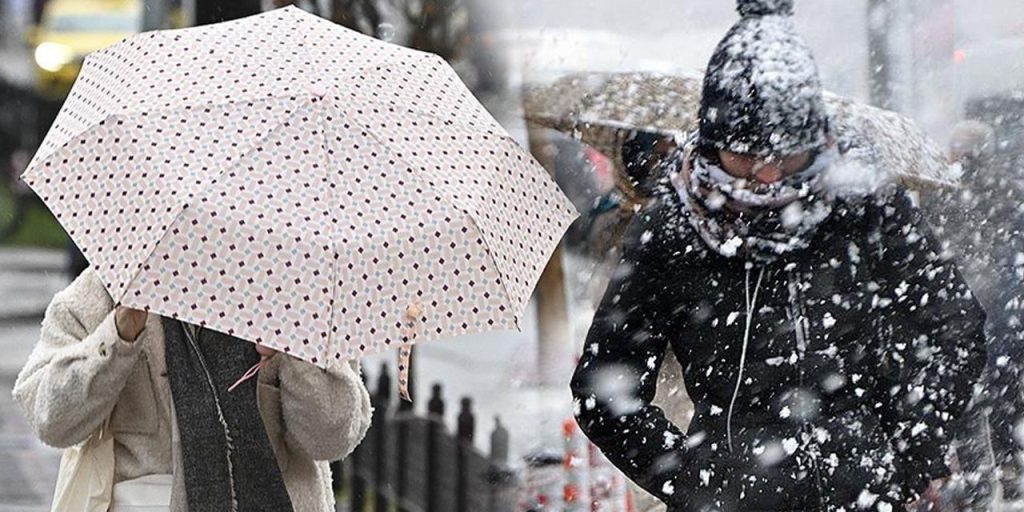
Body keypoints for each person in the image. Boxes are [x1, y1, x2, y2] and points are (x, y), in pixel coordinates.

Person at [570, 0, 987, 510]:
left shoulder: (864, 204)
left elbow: (956, 327)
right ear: (710, 142)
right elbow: (604, 389)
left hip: (865, 496)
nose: (768, 178)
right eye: (746, 156)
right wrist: (694, 484)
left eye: (788, 157)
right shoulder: (673, 227)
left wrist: (910, 454)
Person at [14, 267, 373, 511]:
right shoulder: (108, 286)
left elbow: (332, 439)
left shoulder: (297, 287)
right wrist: (120, 334)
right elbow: (50, 417)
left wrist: (296, 348)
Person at [921, 120, 1024, 510]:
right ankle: (1000, 474)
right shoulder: (1003, 188)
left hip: (970, 309)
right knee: (993, 399)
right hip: (988, 309)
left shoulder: (942, 188)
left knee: (975, 403)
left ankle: (989, 481)